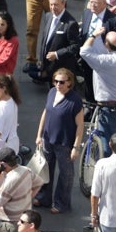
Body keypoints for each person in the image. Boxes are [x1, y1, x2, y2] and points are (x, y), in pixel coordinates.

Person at [34, 67, 84, 214]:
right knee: (45, 169)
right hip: (48, 139)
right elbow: (45, 113)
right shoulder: (52, 92)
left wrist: (75, 147)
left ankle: (61, 203)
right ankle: (44, 198)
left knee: (65, 174)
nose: (58, 84)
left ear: (69, 83)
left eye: (61, 82)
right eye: (56, 81)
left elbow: (80, 125)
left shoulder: (75, 101)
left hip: (64, 142)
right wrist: (39, 134)